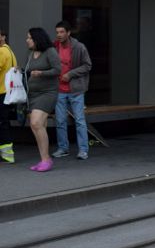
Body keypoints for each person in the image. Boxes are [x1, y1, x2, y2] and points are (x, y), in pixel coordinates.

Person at [52, 20, 93, 160]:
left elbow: (88, 65)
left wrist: (70, 74)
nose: (59, 35)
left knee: (80, 120)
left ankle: (83, 150)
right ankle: (63, 148)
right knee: (60, 120)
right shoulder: (54, 47)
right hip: (59, 90)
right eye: (57, 32)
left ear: (68, 33)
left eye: (62, 32)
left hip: (75, 90)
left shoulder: (79, 47)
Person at [25, 27, 60, 172]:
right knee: (38, 126)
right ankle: (43, 158)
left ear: (37, 38)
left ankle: (46, 159)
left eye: (29, 38)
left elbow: (58, 70)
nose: (27, 40)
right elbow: (28, 71)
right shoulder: (31, 53)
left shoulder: (50, 52)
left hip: (47, 93)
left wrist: (42, 73)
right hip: (33, 94)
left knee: (36, 122)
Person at [0, 28, 17, 163]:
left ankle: (6, 155)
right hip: (7, 93)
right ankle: (7, 154)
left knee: (2, 123)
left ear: (3, 36)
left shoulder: (1, 51)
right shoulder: (10, 51)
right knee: (4, 122)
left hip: (0, 92)